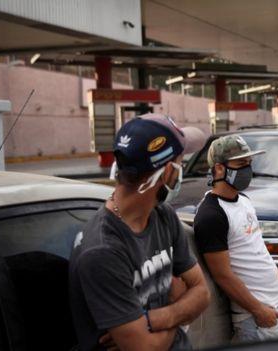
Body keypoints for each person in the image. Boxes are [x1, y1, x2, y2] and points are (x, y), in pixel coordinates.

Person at [69, 113, 210, 351]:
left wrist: (151, 320)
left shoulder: (163, 215)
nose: (180, 171)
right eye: (180, 163)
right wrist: (180, 312)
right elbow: (144, 348)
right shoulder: (103, 251)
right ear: (167, 173)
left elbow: (202, 294)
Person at [193, 135, 278, 343]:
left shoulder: (244, 200)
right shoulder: (211, 215)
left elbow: (255, 246)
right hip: (256, 318)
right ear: (219, 169)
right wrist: (259, 311)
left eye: (249, 163)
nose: (247, 170)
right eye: (240, 164)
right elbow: (223, 275)